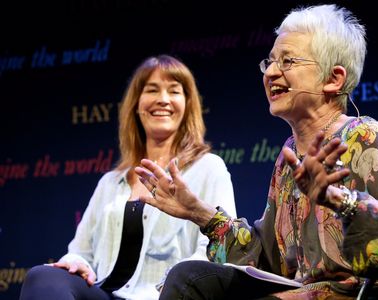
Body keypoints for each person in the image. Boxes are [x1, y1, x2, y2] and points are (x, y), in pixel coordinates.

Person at [135, 4, 378, 300]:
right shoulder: (289, 154)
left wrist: (338, 200)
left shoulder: (366, 138)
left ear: (334, 79)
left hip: (362, 294)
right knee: (190, 279)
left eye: (288, 61)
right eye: (270, 62)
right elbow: (267, 259)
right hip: (299, 293)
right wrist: (199, 213)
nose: (271, 73)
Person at [19, 54, 237, 300]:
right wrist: (76, 263)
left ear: (188, 105)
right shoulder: (110, 183)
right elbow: (80, 252)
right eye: (152, 90)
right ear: (136, 104)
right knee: (42, 277)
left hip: (166, 296)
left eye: (174, 91)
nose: (163, 100)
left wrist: (175, 286)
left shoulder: (208, 169)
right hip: (107, 293)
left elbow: (220, 248)